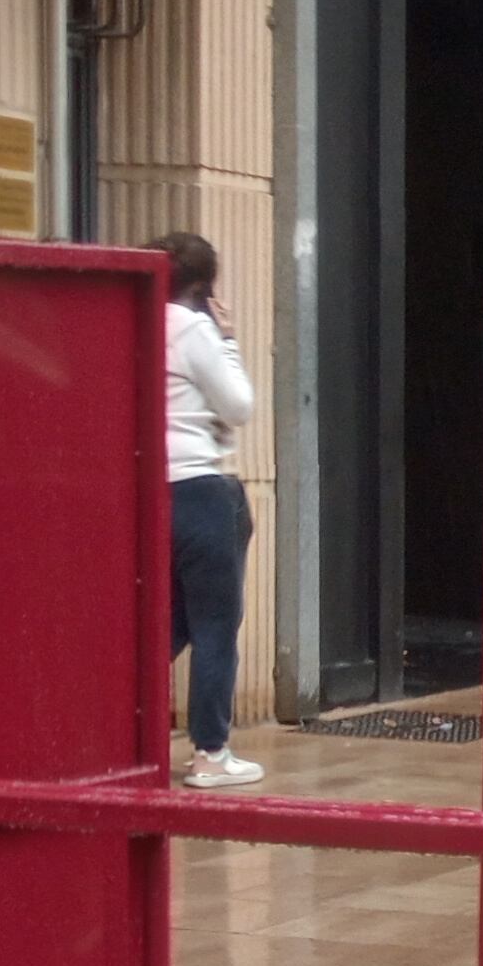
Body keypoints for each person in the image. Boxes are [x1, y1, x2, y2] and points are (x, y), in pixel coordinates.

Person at [162, 231, 264, 788]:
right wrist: (227, 339)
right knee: (215, 627)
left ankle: (131, 738)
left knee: (166, 623)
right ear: (203, 287)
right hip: (203, 489)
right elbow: (239, 406)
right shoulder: (193, 327)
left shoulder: (137, 319)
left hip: (154, 492)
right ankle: (211, 753)